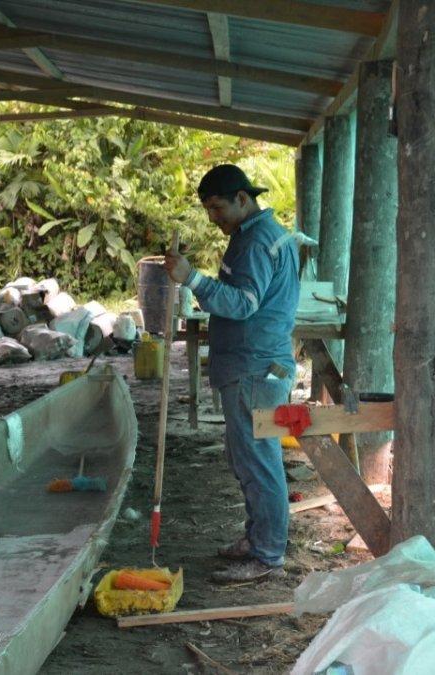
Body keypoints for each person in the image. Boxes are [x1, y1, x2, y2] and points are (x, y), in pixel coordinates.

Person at [163, 164, 300, 583]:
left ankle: (268, 554)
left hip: (254, 368)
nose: (213, 218)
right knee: (247, 458)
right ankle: (258, 539)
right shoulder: (260, 234)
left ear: (243, 198)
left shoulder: (256, 240)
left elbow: (244, 304)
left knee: (259, 462)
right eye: (207, 209)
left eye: (218, 207)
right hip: (254, 364)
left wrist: (193, 279)